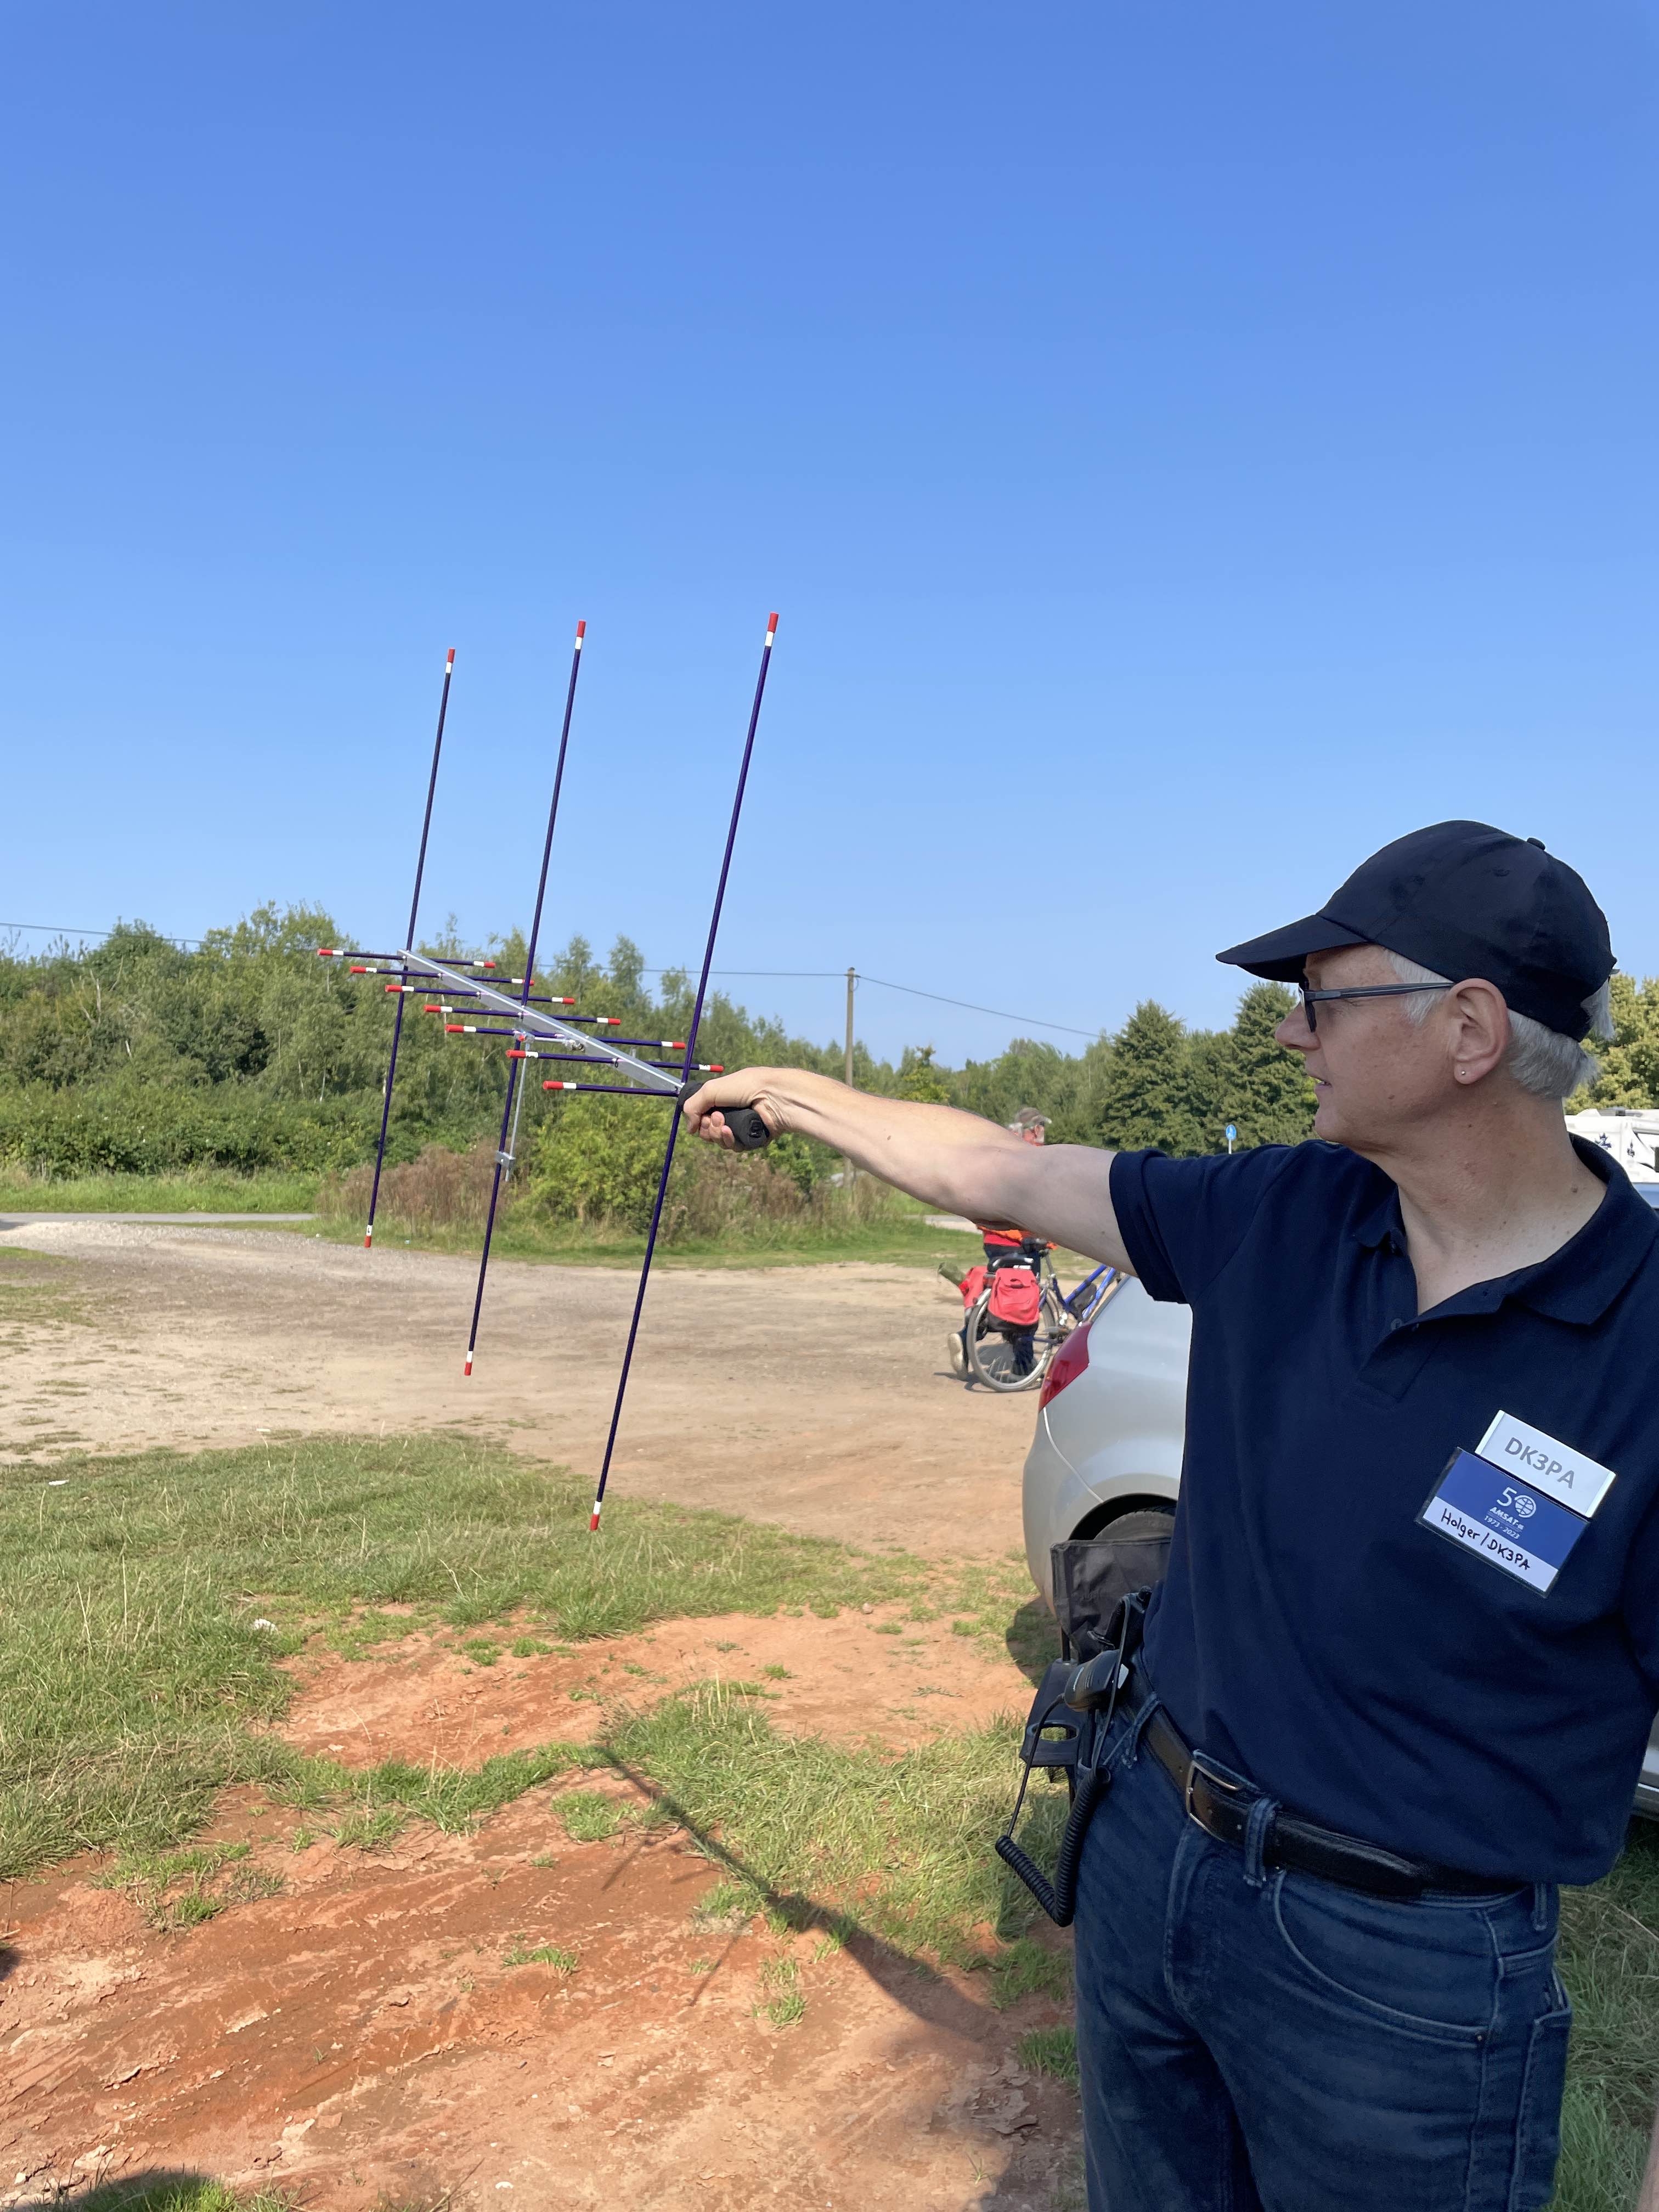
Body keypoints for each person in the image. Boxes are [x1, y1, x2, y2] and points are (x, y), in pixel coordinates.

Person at [682, 820, 1659, 2212]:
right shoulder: (1288, 1211)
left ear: (1469, 1030)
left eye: (1323, 998)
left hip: (1408, 1982)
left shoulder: (1643, 1340)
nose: (1293, 1033)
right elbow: (1005, 1172)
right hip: (1156, 1851)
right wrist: (794, 1092)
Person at [946, 1110, 1053, 1378]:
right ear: (1034, 1130)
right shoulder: (1031, 1160)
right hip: (1020, 1241)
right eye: (1041, 1128)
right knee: (1025, 1303)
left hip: (993, 1240)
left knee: (1004, 1296)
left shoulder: (1001, 1156)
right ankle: (1022, 1366)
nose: (1043, 1134)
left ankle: (967, 1340)